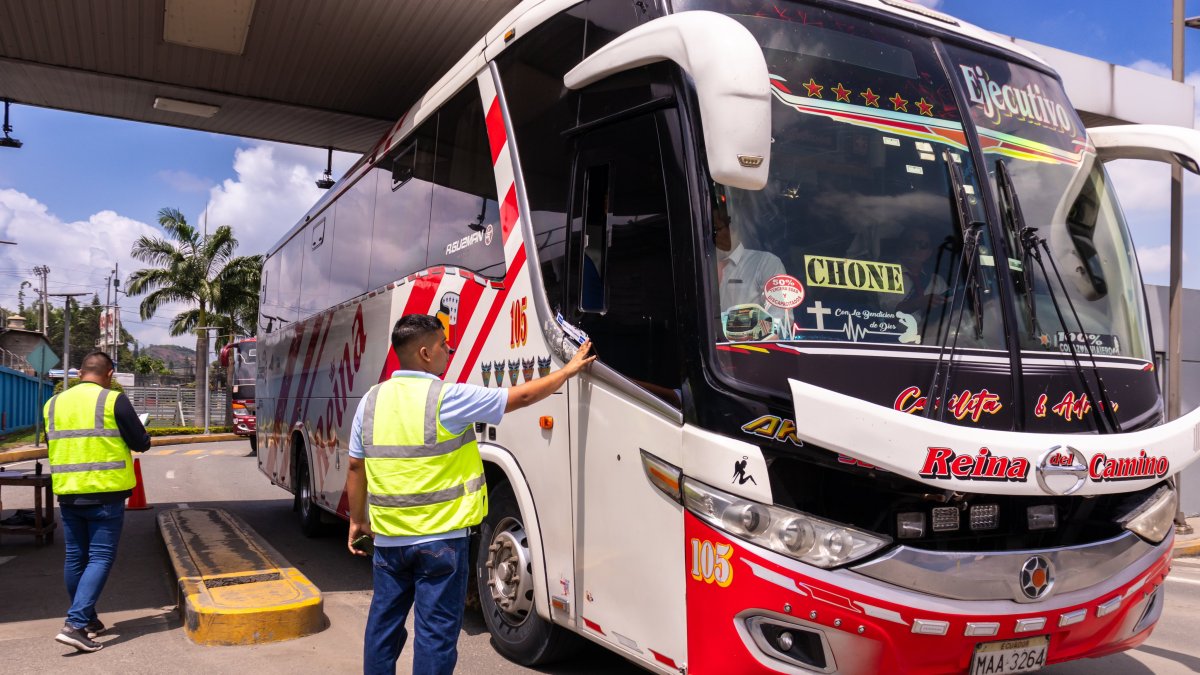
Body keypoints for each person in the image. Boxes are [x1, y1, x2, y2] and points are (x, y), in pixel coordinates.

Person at [345, 314, 595, 675]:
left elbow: (356, 467)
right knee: (434, 636)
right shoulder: (446, 398)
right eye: (445, 344)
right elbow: (520, 396)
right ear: (426, 353)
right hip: (441, 543)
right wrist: (568, 370)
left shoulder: (370, 402)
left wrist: (357, 520)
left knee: (382, 630)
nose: (450, 350)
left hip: (389, 543)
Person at [45, 351, 151, 653]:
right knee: (100, 557)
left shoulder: (52, 404)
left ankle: (88, 621)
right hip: (105, 493)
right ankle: (76, 624)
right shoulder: (113, 400)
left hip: (68, 492)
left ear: (79, 373)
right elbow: (140, 442)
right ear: (110, 373)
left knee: (75, 557)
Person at [714, 191, 788, 340]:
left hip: (750, 358)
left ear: (733, 228)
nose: (712, 236)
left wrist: (736, 328)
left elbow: (780, 323)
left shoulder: (765, 263)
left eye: (716, 229)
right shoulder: (698, 268)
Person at [881, 228, 949, 322]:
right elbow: (888, 311)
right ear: (900, 247)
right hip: (892, 335)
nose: (916, 249)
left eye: (923, 245)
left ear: (929, 252)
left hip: (933, 335)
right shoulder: (885, 273)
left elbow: (951, 311)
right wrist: (919, 303)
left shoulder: (938, 281)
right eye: (910, 244)